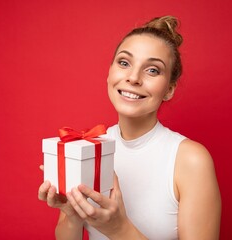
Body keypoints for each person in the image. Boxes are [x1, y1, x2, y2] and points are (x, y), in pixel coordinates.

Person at [38, 15, 221, 240]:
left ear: (169, 89)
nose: (133, 78)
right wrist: (72, 213)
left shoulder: (191, 159)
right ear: (109, 73)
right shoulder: (90, 148)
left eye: (153, 70)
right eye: (124, 63)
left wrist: (119, 229)